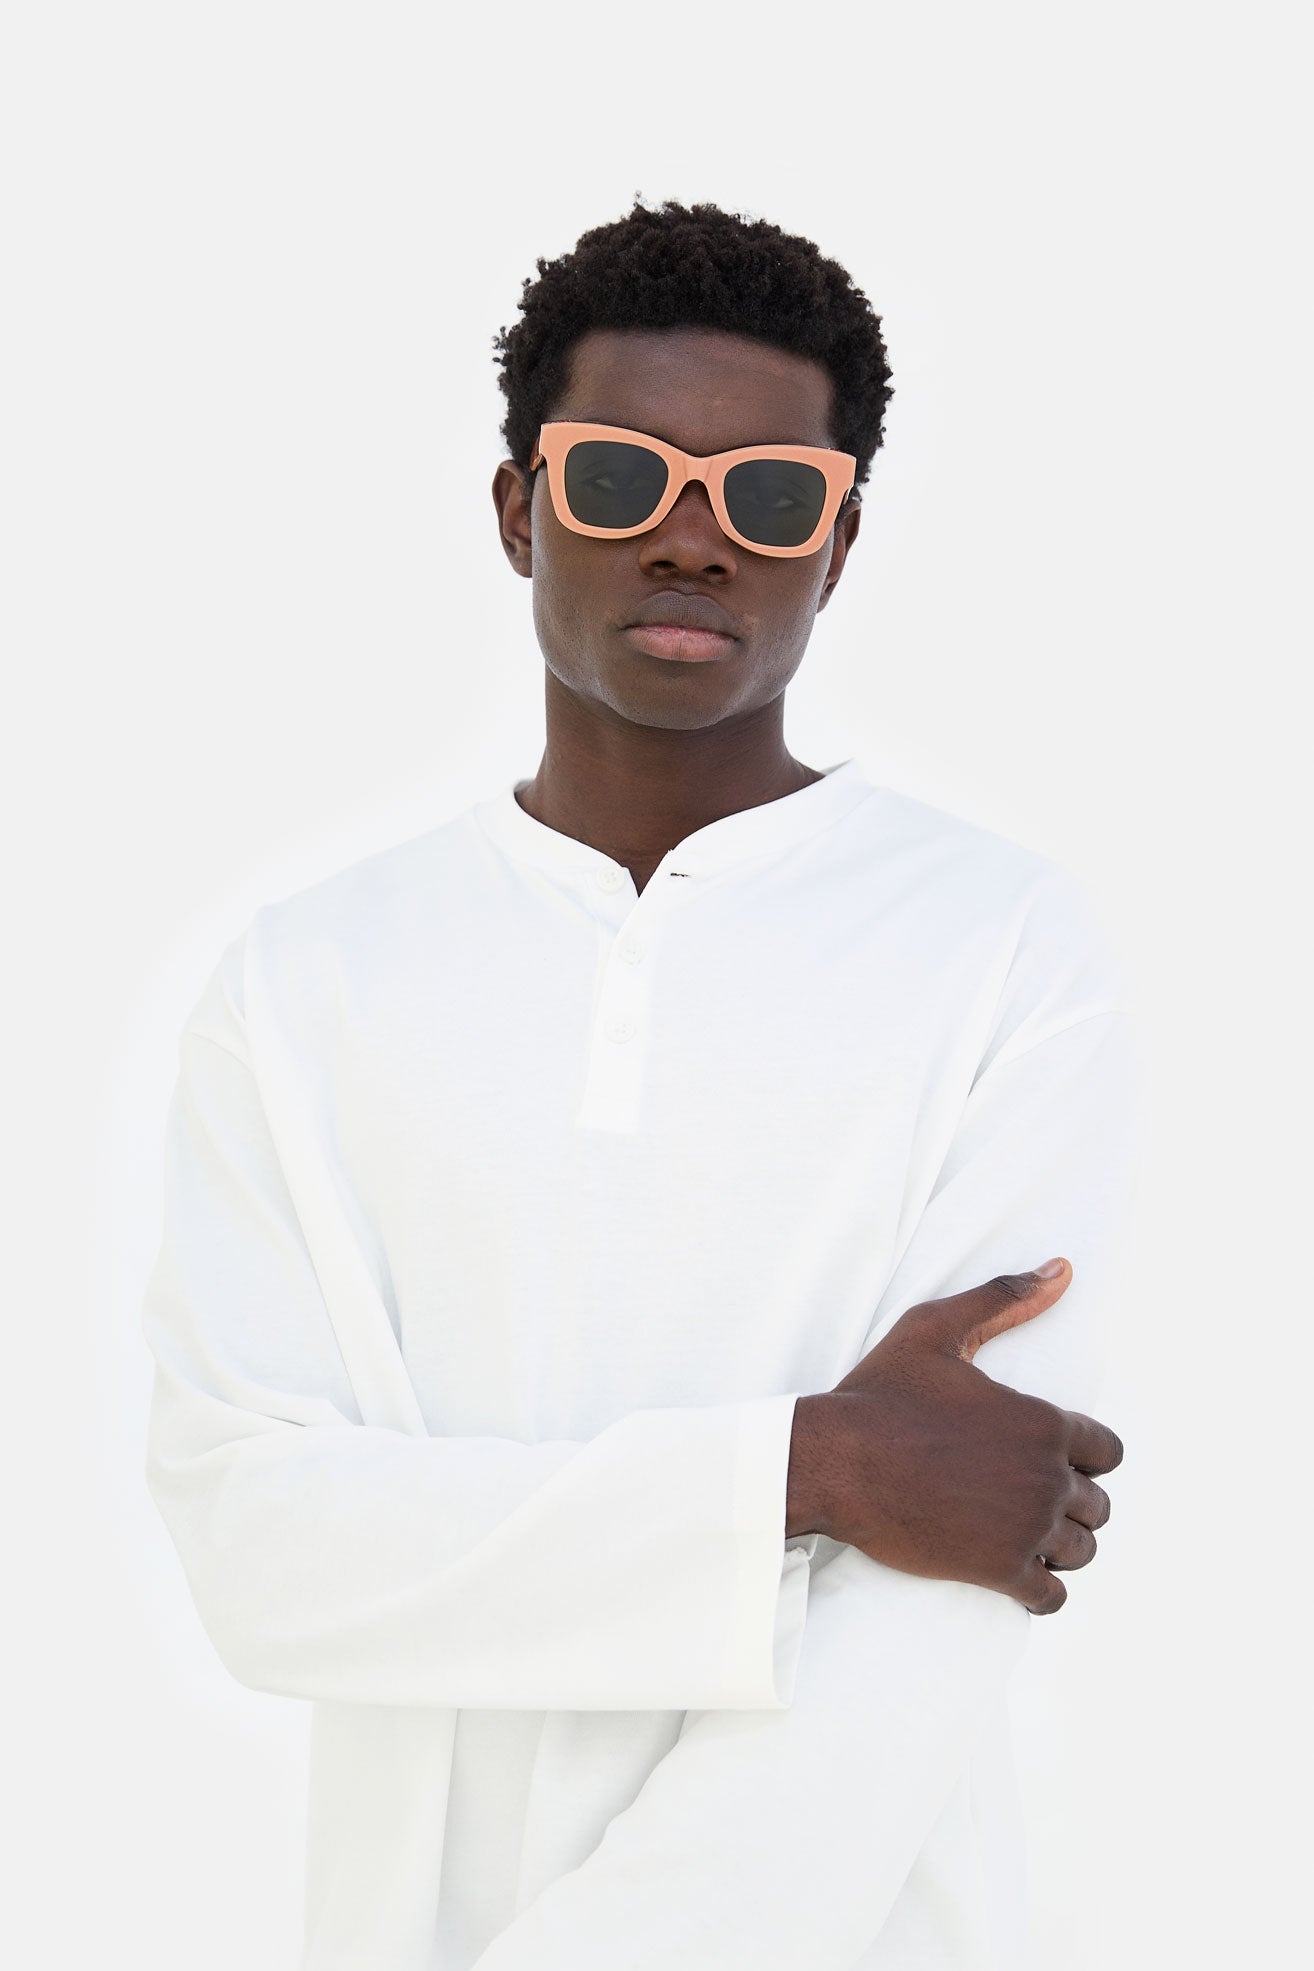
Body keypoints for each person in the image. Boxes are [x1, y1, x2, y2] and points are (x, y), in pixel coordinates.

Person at [140, 197, 1139, 1970]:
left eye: (768, 496)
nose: (693, 540)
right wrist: (809, 1472)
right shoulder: (304, 979)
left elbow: (967, 1557)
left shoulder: (1000, 945)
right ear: (518, 509)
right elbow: (259, 1555)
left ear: (837, 545)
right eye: (621, 480)